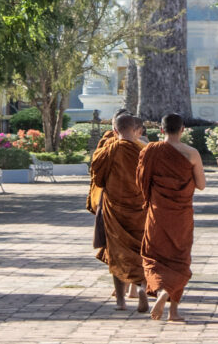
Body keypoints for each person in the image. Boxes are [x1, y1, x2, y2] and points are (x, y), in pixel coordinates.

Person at [137, 113, 206, 323]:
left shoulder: (151, 150)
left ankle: (161, 291)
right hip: (181, 216)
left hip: (158, 214)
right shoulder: (191, 153)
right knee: (180, 259)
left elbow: (141, 182)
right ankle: (173, 310)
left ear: (161, 130)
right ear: (182, 130)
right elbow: (201, 185)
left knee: (153, 257)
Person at [89, 114, 149, 312]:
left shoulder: (109, 150)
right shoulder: (144, 150)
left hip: (114, 209)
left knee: (117, 253)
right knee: (141, 251)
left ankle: (121, 301)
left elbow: (98, 179)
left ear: (115, 130)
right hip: (140, 209)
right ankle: (141, 288)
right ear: (136, 130)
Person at [86, 108, 130, 215]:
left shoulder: (136, 144)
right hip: (109, 193)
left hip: (131, 194)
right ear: (114, 124)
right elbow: (97, 168)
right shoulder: (107, 141)